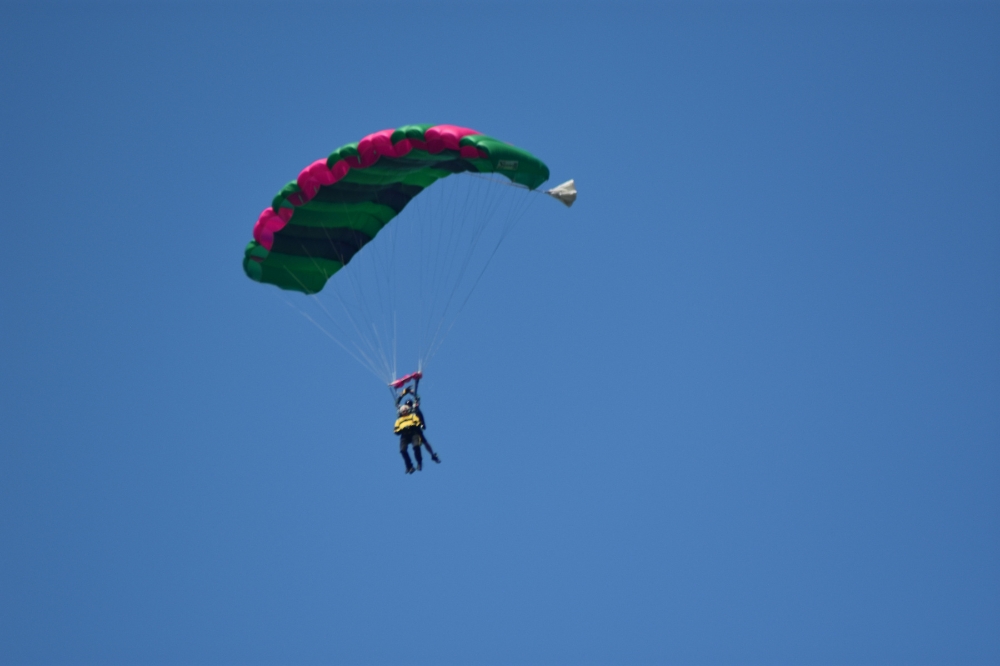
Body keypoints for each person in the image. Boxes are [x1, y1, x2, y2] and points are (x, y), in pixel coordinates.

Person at [393, 377, 440, 474]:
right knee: (404, 449)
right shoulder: (402, 410)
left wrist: (413, 393)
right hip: (406, 431)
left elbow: (417, 399)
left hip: (416, 427)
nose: (407, 407)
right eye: (407, 406)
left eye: (409, 405)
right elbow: (397, 402)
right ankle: (410, 466)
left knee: (421, 443)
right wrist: (405, 391)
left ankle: (431, 455)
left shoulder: (414, 408)